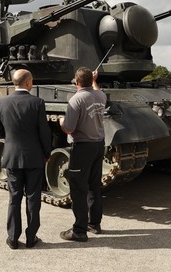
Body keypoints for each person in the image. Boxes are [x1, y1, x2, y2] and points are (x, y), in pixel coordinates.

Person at [0, 69, 52, 249]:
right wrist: (47, 153)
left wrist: (10, 139)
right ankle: (31, 237)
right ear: (27, 83)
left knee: (14, 197)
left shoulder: (2, 102)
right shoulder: (38, 103)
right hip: (34, 158)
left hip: (12, 157)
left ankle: (12, 238)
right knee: (33, 198)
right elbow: (44, 132)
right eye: (32, 80)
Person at [59, 67, 107, 242]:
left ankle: (79, 230)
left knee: (79, 189)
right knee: (94, 186)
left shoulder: (76, 99)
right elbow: (97, 90)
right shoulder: (101, 96)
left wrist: (62, 122)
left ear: (76, 81)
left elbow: (69, 128)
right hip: (98, 145)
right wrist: (94, 81)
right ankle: (95, 224)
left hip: (83, 147)